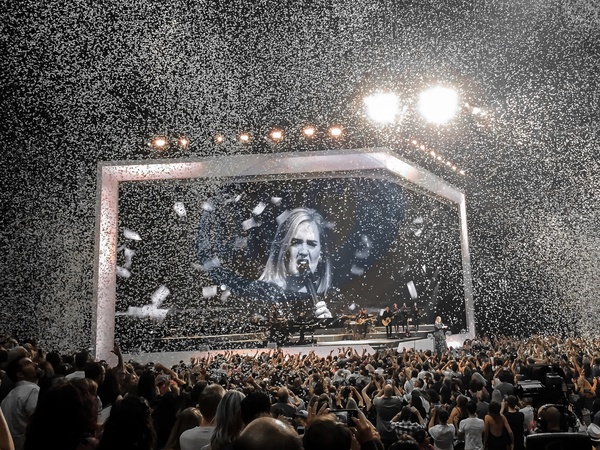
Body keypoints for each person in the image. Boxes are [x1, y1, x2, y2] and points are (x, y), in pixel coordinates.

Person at [254, 207, 333, 322]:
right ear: (282, 248)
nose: (304, 251)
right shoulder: (259, 296)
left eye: (311, 244)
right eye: (296, 242)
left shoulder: (332, 299)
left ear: (321, 253)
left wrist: (328, 326)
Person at [0, 354, 40, 450]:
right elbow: (39, 424)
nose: (36, 364)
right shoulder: (32, 390)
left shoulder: (7, 398)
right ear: (20, 374)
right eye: (28, 364)